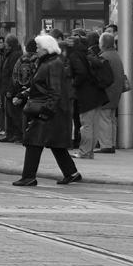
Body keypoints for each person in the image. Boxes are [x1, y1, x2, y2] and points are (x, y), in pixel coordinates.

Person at [12, 34, 82, 187]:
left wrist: (46, 111)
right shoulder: (48, 62)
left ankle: (28, 176)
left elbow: (55, 91)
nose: (36, 49)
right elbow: (41, 86)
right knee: (55, 143)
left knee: (33, 142)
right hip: (51, 111)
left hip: (48, 111)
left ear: (46, 48)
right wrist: (23, 94)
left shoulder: (52, 64)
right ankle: (71, 173)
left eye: (38, 47)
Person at [67, 32, 107, 160]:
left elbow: (81, 73)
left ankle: (84, 152)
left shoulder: (74, 56)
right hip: (97, 93)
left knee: (86, 125)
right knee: (93, 125)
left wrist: (74, 83)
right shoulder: (88, 53)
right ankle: (89, 152)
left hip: (86, 94)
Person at [94, 32, 124, 153]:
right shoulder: (116, 55)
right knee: (111, 118)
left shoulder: (104, 56)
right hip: (116, 91)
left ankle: (106, 145)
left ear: (102, 44)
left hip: (106, 92)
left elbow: (102, 77)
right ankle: (111, 143)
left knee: (104, 118)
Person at [0, 34, 24, 144]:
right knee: (9, 112)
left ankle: (16, 134)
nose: (5, 46)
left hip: (11, 88)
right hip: (7, 87)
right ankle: (11, 134)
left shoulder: (15, 55)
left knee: (13, 113)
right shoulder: (10, 54)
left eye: (7, 44)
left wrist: (10, 90)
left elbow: (13, 74)